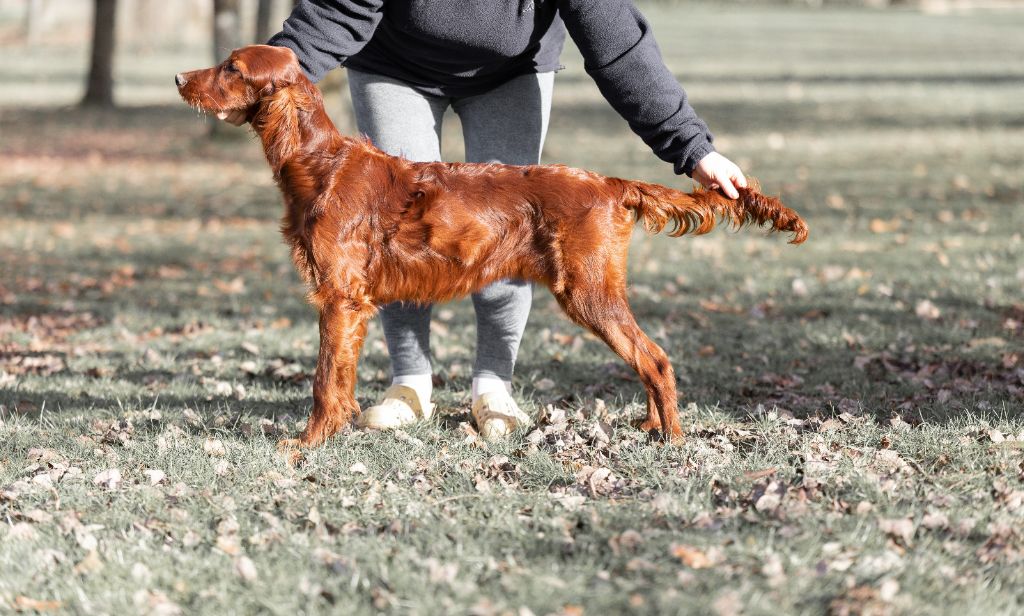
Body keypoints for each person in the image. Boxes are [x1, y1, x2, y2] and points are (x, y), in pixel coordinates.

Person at [219, 0, 747, 439]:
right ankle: (408, 385)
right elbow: (336, 9)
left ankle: (494, 388)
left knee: (506, 241)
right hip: (394, 64)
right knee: (386, 237)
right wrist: (260, 77)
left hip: (511, 69)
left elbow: (616, 40)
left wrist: (693, 148)